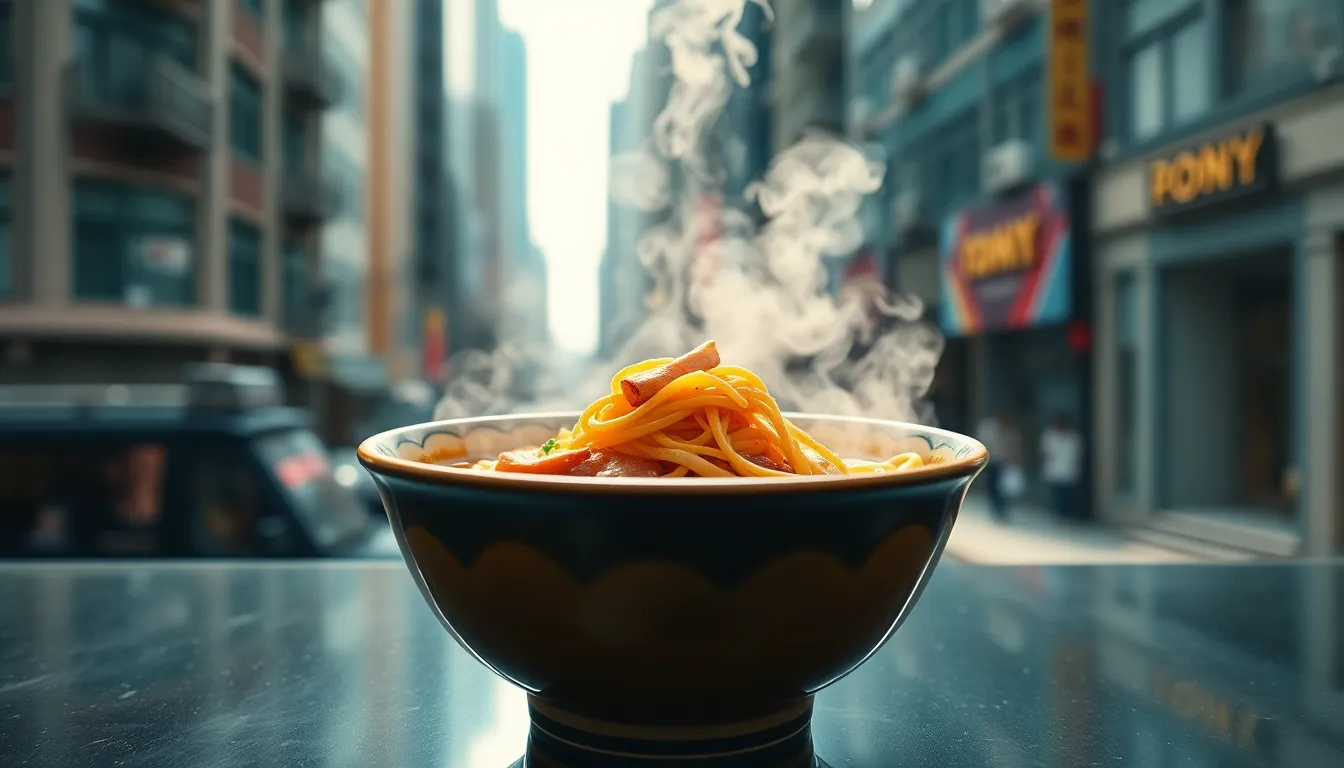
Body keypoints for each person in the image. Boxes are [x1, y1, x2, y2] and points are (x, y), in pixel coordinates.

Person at [976, 410, 1022, 522]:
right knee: (991, 486)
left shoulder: (1011, 432)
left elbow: (1015, 447)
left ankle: (1002, 509)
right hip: (990, 461)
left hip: (1003, 463)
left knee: (1002, 488)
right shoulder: (987, 428)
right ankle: (994, 507)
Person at [1040, 413, 1083, 521]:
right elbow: (1045, 452)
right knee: (1056, 494)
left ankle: (1067, 514)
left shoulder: (1073, 437)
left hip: (1068, 471)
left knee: (1067, 495)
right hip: (1054, 470)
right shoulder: (1049, 435)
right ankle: (1057, 513)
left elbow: (1077, 454)